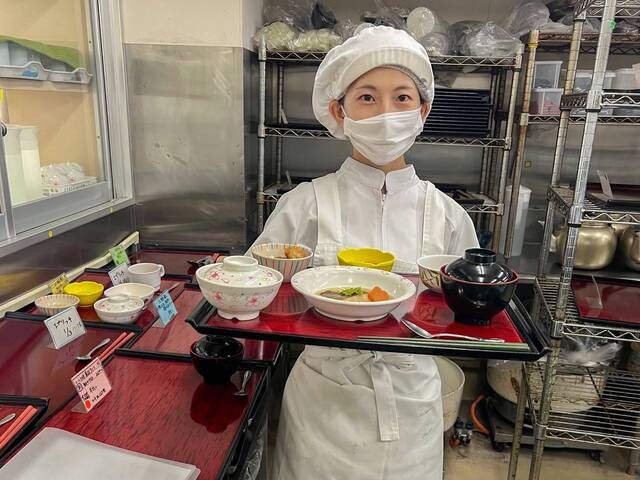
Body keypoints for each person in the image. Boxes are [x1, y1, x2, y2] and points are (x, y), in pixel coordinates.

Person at [250, 26, 479, 480]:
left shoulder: (448, 216)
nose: (386, 113)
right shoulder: (305, 204)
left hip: (413, 403)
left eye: (402, 97)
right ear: (340, 111)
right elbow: (257, 291)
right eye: (367, 97)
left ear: (423, 110)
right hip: (321, 405)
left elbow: (469, 311)